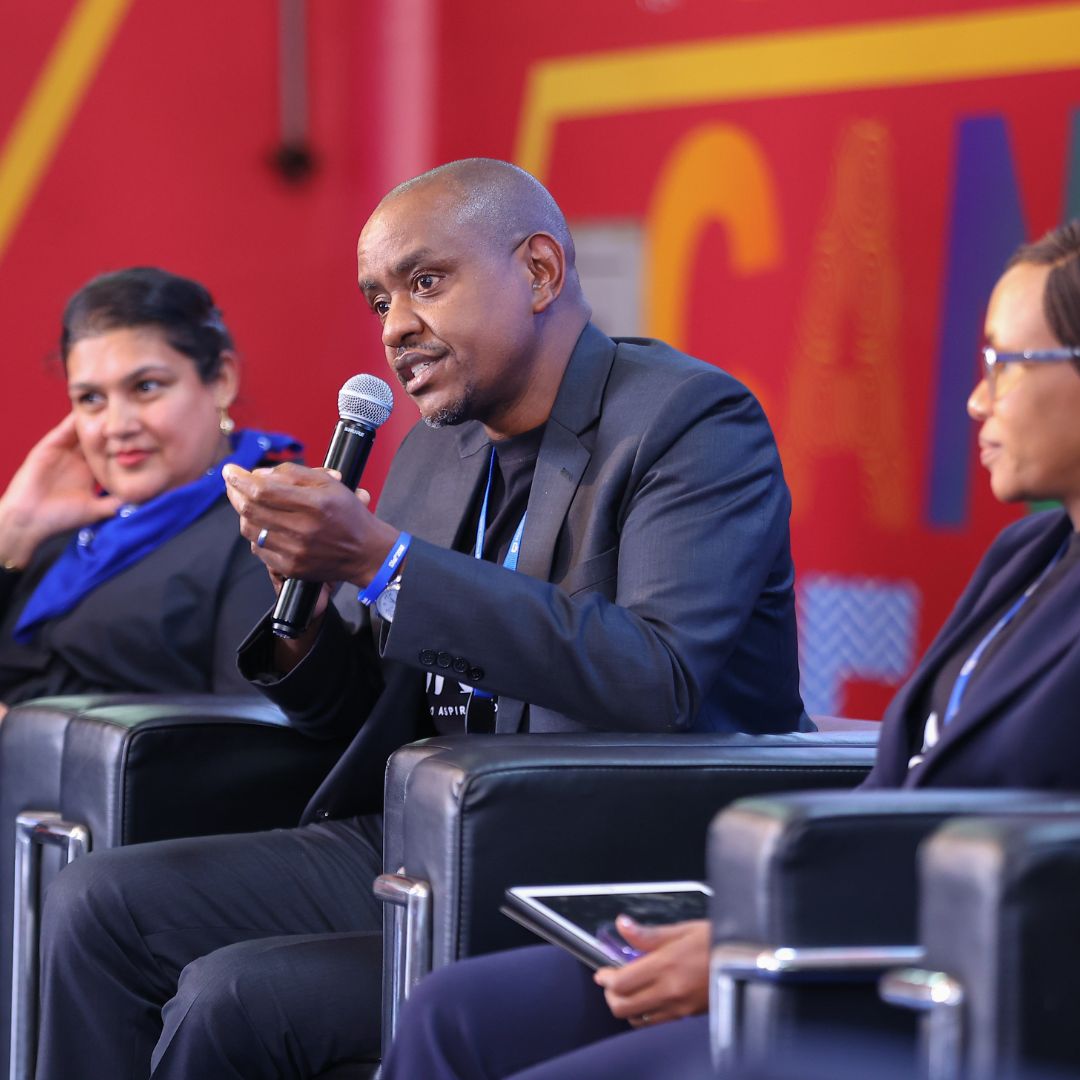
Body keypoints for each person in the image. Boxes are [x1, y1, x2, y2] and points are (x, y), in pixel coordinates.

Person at [33, 159, 805, 1079]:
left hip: (589, 855)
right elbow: (373, 710)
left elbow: (658, 676)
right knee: (98, 901)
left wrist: (384, 561)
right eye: (379, 300)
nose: (395, 326)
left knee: (231, 997)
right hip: (421, 832)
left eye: (426, 282)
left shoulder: (688, 420)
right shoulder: (437, 454)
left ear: (540, 271)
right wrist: (307, 613)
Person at [377, 219, 1080, 1080]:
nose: (977, 399)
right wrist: (742, 924)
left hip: (955, 983)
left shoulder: (691, 418)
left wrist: (767, 942)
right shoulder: (1028, 555)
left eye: (1009, 362)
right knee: (454, 1013)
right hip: (831, 933)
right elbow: (897, 797)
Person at [0, 267, 298, 721]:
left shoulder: (266, 525)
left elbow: (250, 738)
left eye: (145, 387)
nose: (117, 425)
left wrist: (14, 732)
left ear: (221, 379)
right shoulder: (65, 528)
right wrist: (12, 531)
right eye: (90, 399)